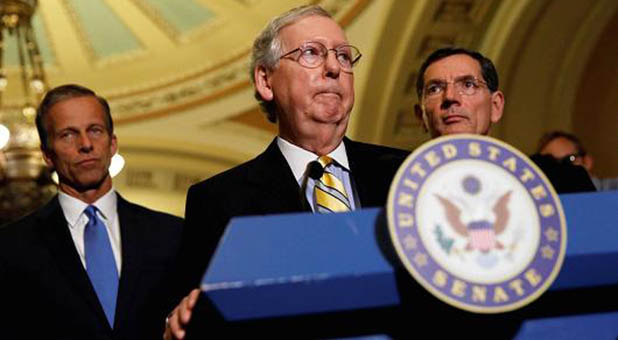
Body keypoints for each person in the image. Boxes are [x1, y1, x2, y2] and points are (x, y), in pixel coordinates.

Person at [165, 5, 408, 339]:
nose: (334, 67)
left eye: (343, 56)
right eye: (311, 53)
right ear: (266, 81)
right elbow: (198, 321)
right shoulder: (218, 202)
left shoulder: (408, 177)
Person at [0, 84, 183, 339]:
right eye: (68, 135)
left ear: (112, 144)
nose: (85, 144)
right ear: (47, 154)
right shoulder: (11, 247)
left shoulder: (173, 234)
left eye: (95, 130)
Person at [413, 47, 595, 193]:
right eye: (435, 89)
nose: (450, 97)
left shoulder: (557, 182)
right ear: (421, 116)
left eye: (468, 85)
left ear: (495, 106)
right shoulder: (394, 185)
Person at [537, 130, 618, 191]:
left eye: (569, 160)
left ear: (587, 161)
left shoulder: (613, 190)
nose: (561, 169)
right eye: (552, 164)